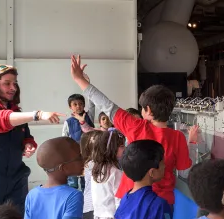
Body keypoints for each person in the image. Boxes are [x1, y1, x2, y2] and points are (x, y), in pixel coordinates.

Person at [70, 54, 197, 210]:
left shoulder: (136, 126)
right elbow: (184, 167)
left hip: (132, 198)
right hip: (162, 203)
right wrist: (191, 142)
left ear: (148, 110)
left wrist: (80, 80)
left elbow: (107, 106)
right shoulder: (177, 137)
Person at [0, 64, 64, 210]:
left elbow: (26, 136)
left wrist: (28, 144)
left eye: (14, 83)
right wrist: (38, 115)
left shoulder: (16, 113)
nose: (13, 88)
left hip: (15, 178)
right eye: (7, 83)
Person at [62, 94, 95, 190]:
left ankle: (86, 201)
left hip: (88, 154)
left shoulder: (89, 117)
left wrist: (87, 87)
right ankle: (74, 199)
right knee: (72, 180)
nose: (78, 106)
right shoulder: (68, 122)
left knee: (86, 179)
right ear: (70, 107)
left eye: (80, 104)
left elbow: (92, 105)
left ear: (84, 105)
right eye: (75, 104)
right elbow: (65, 139)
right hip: (73, 155)